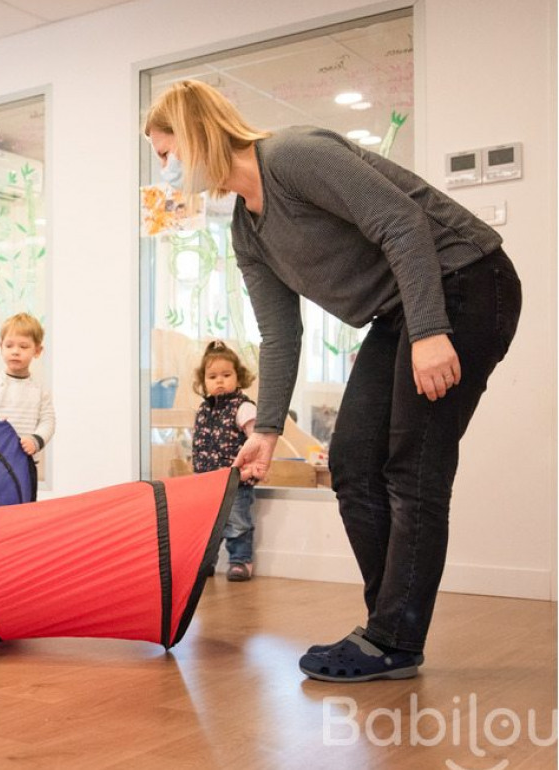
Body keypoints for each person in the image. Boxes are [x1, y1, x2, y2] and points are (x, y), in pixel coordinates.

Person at [144, 80, 521, 682]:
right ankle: (388, 628)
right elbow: (280, 336)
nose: (164, 168)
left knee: (411, 465)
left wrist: (428, 330)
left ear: (195, 136)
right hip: (401, 309)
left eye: (166, 152)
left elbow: (401, 223)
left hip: (467, 280)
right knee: (350, 463)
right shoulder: (246, 230)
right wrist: (266, 430)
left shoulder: (292, 155)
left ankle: (392, 637)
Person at [190, 340, 258, 582]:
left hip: (235, 481)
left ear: (238, 378)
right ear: (204, 382)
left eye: (226, 375)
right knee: (208, 525)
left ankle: (241, 561)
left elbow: (256, 441)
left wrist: (252, 469)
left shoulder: (243, 408)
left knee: (237, 522)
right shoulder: (203, 410)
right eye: (212, 376)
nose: (219, 381)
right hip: (207, 481)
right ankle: (206, 562)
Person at [0, 312, 56, 462]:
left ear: (37, 351)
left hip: (27, 461)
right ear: (1, 347)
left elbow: (48, 421)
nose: (15, 351)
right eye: (9, 345)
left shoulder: (40, 389)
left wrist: (35, 440)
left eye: (23, 346)